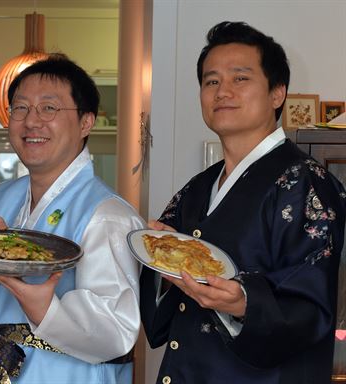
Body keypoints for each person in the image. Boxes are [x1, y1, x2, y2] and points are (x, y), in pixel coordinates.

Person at [140, 21, 346, 384]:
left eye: (240, 78)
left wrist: (244, 303)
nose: (222, 92)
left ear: (277, 93)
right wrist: (162, 262)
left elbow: (314, 309)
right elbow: (163, 302)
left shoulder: (305, 182)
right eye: (211, 81)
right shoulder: (198, 187)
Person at [0, 54, 144, 384]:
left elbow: (115, 333)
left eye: (49, 108)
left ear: (86, 122)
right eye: (20, 108)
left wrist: (47, 310)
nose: (31, 121)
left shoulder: (107, 215)